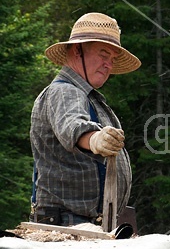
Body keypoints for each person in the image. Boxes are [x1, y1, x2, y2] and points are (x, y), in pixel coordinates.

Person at [30, 12, 141, 227]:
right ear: (76, 50)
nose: (108, 64)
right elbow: (72, 126)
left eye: (112, 59)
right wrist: (96, 139)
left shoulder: (88, 97)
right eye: (103, 54)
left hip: (85, 223)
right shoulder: (64, 92)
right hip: (67, 225)